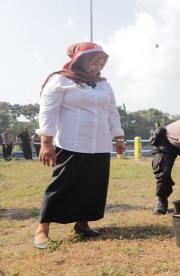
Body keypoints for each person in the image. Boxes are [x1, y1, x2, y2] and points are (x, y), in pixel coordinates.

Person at [33, 42, 125, 249]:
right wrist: (46, 142)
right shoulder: (60, 80)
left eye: (102, 63)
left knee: (93, 186)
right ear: (80, 61)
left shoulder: (103, 84)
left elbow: (112, 111)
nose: (98, 68)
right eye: (95, 63)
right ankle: (42, 229)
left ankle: (82, 224)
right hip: (71, 142)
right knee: (61, 186)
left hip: (99, 144)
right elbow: (48, 111)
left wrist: (118, 137)